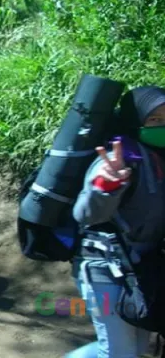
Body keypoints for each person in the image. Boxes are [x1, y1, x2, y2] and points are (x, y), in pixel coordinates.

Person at [65, 86, 165, 358]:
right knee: (120, 353)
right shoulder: (118, 158)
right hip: (104, 269)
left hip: (141, 270)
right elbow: (85, 213)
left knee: (138, 348)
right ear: (136, 120)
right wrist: (105, 187)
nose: (162, 125)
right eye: (154, 119)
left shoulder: (159, 156)